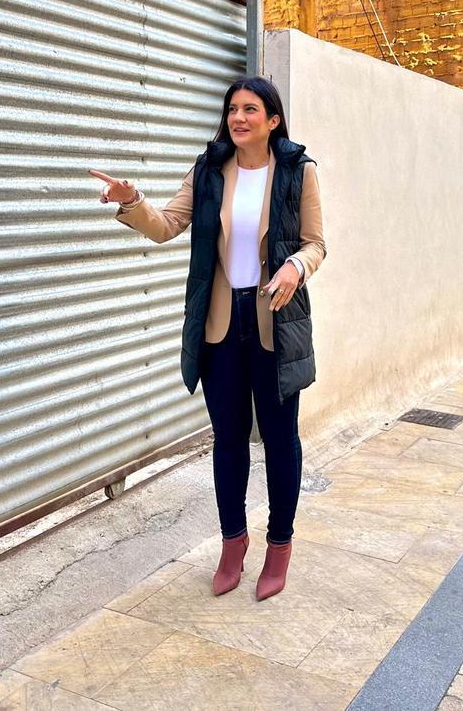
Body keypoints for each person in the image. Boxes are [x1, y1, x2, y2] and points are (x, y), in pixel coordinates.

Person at [89, 77, 326, 601]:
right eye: (232, 109)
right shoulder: (208, 169)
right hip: (222, 323)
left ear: (273, 119)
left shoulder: (296, 170)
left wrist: (295, 267)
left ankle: (279, 547)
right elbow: (167, 225)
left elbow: (316, 244)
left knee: (281, 441)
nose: (238, 118)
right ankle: (232, 544)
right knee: (229, 440)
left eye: (250, 109)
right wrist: (132, 201)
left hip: (275, 319)